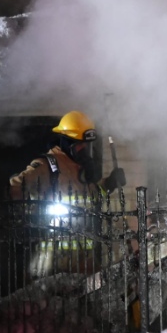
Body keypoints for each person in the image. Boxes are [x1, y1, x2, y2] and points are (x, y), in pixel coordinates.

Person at [9, 110, 124, 276]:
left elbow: (90, 197)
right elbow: (14, 188)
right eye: (80, 145)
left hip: (85, 256)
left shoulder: (80, 169)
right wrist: (32, 214)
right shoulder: (46, 165)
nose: (85, 150)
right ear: (66, 142)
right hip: (54, 258)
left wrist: (109, 183)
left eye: (87, 146)